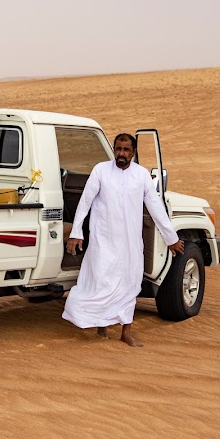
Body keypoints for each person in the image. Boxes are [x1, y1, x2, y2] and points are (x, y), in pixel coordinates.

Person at [63, 133, 184, 347]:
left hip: (130, 245)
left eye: (126, 150)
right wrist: (76, 233)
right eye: (118, 149)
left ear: (133, 152)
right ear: (114, 150)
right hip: (103, 242)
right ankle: (101, 325)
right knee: (100, 284)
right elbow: (85, 202)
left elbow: (156, 208)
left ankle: (125, 332)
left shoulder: (142, 175)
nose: (121, 153)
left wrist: (171, 238)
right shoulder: (101, 170)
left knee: (129, 286)